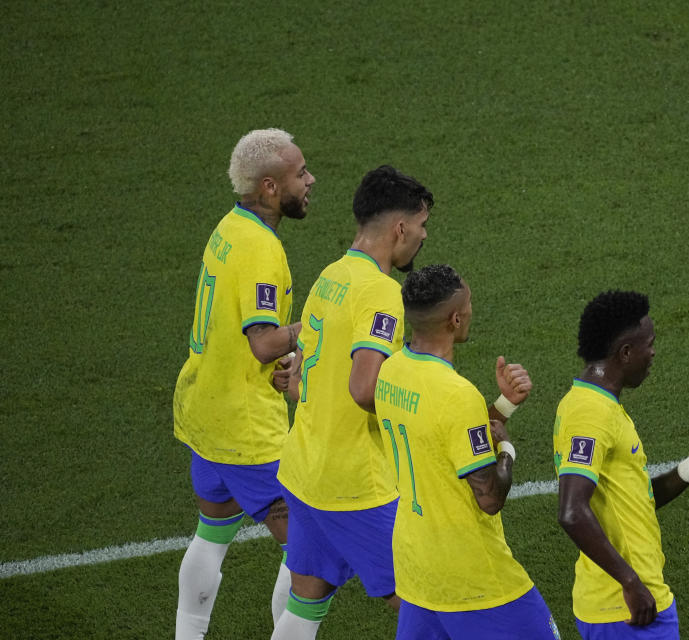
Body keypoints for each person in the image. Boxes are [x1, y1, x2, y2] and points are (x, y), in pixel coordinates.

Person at [271, 166, 433, 639]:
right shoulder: (381, 293)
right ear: (400, 228)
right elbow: (365, 389)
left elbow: (305, 376)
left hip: (305, 469)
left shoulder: (331, 276)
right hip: (355, 487)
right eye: (422, 226)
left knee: (306, 601)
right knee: (425, 601)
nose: (423, 238)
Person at [173, 128, 315, 639]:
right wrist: (314, 326)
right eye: (301, 173)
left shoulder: (229, 227)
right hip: (248, 432)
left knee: (211, 536)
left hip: (205, 414)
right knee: (308, 557)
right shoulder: (260, 248)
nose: (310, 180)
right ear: (271, 187)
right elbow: (261, 341)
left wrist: (287, 348)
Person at [375, 264, 560, 640]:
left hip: (417, 570)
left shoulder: (390, 371)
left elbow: (442, 438)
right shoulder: (457, 396)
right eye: (470, 303)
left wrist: (503, 406)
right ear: (455, 319)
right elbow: (489, 496)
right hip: (473, 576)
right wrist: (507, 450)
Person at [554, 290, 689, 640]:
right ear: (625, 353)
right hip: (626, 609)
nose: (653, 353)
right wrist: (631, 582)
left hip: (617, 605)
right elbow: (571, 511)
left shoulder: (592, 404)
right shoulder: (591, 414)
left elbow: (636, 499)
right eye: (648, 344)